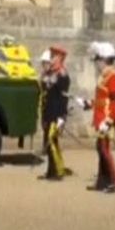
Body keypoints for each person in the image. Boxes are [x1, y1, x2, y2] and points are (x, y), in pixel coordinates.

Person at [76, 42, 115, 194]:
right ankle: (103, 181)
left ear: (103, 60)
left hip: (106, 119)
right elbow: (102, 100)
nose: (96, 63)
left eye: (97, 60)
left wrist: (109, 121)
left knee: (104, 149)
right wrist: (87, 104)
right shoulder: (104, 76)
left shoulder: (113, 77)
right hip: (101, 117)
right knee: (100, 148)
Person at [39, 46, 71, 181]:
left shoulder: (62, 75)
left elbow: (63, 98)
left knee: (52, 142)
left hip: (57, 114)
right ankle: (51, 170)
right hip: (48, 113)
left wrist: (62, 117)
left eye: (52, 59)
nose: (48, 64)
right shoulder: (49, 75)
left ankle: (58, 171)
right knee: (49, 143)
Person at [38, 49, 53, 155]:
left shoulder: (54, 75)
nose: (44, 65)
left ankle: (49, 148)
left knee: (50, 128)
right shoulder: (43, 75)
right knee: (44, 126)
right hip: (44, 104)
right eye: (43, 63)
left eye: (45, 63)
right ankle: (45, 147)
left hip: (51, 105)